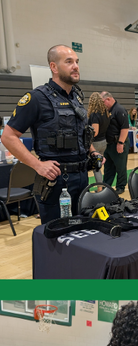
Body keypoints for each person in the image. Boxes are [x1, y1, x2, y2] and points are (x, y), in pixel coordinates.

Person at [1, 44, 93, 222]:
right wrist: (37, 165)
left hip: (81, 177)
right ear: (53, 67)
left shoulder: (76, 98)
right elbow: (8, 136)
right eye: (69, 62)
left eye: (77, 61)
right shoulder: (37, 98)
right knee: (56, 237)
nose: (75, 66)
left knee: (82, 232)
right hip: (56, 181)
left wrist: (92, 152)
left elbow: (81, 134)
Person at [101, 90, 130, 193]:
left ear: (108, 99)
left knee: (120, 167)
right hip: (109, 144)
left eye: (103, 102)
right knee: (108, 168)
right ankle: (106, 187)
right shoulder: (108, 110)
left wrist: (121, 143)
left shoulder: (119, 109)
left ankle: (120, 187)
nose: (102, 105)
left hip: (118, 143)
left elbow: (125, 128)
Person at [86, 90, 109, 183]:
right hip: (104, 141)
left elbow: (95, 132)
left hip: (95, 143)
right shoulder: (105, 113)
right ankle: (100, 187)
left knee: (91, 166)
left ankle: (98, 187)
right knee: (98, 167)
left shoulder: (94, 114)